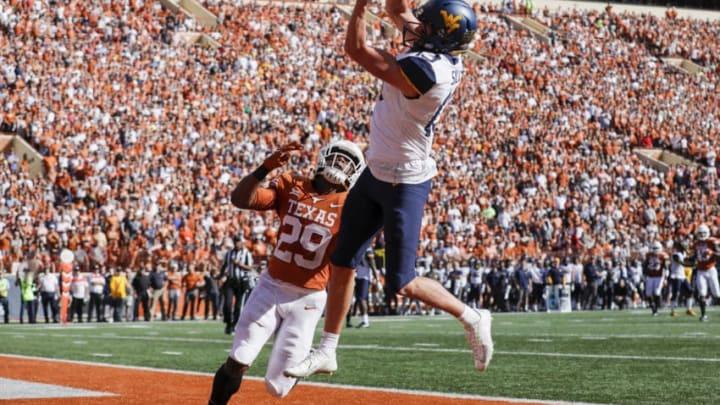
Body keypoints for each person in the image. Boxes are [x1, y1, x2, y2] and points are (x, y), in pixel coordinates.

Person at [284, 0, 492, 379]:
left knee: (403, 282)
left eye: (426, 28)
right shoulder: (433, 51)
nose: (416, 29)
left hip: (404, 180)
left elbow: (357, 50)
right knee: (342, 259)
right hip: (376, 169)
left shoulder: (428, 71)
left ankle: (472, 316)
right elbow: (399, 10)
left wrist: (361, 6)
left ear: (441, 38)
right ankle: (328, 350)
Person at [208, 140, 365, 404]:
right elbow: (241, 199)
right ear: (324, 157)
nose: (340, 164)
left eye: (348, 161)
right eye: (338, 157)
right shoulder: (293, 184)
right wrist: (265, 167)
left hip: (309, 298)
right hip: (271, 287)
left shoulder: (352, 206)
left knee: (278, 388)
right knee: (239, 359)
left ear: (355, 171)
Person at [219, 234, 254, 334]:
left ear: (242, 242)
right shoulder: (229, 253)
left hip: (241, 282)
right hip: (230, 281)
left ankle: (234, 325)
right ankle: (228, 323)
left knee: (239, 306)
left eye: (238, 241)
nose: (236, 243)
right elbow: (224, 266)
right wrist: (221, 277)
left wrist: (239, 264)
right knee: (227, 304)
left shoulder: (246, 253)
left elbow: (250, 267)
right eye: (235, 241)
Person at [688, 224, 719, 322]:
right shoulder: (695, 244)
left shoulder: (712, 242)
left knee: (717, 294)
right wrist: (682, 261)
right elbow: (692, 259)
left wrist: (712, 253)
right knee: (702, 293)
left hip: (711, 270)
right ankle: (703, 315)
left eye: (704, 233)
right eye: (700, 233)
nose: (702, 235)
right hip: (700, 271)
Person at [643, 241, 668, 317]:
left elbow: (666, 267)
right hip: (650, 276)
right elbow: (645, 265)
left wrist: (665, 278)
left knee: (657, 293)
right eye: (654, 248)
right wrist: (644, 274)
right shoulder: (648, 255)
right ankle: (653, 308)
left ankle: (656, 309)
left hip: (659, 276)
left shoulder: (663, 256)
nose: (655, 249)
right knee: (648, 294)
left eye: (656, 248)